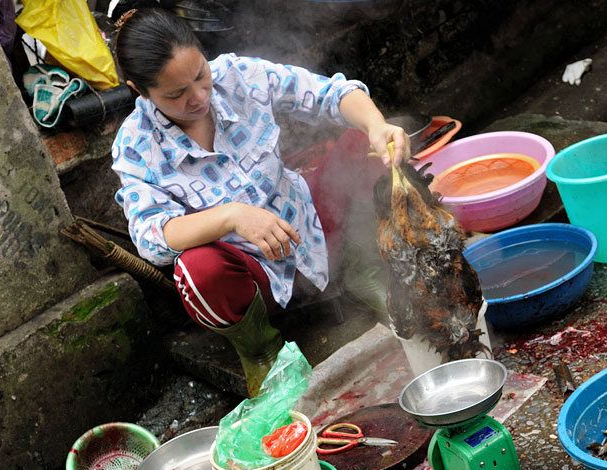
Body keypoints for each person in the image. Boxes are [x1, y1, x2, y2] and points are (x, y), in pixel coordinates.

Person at [111, 8, 408, 396]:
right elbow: (151, 236)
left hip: (312, 229)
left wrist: (376, 125)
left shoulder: (238, 75)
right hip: (252, 277)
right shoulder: (136, 145)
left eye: (200, 74)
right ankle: (261, 350)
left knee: (363, 147)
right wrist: (231, 217)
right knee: (195, 269)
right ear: (140, 90)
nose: (199, 96)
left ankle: (362, 270)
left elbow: (330, 94)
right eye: (176, 94)